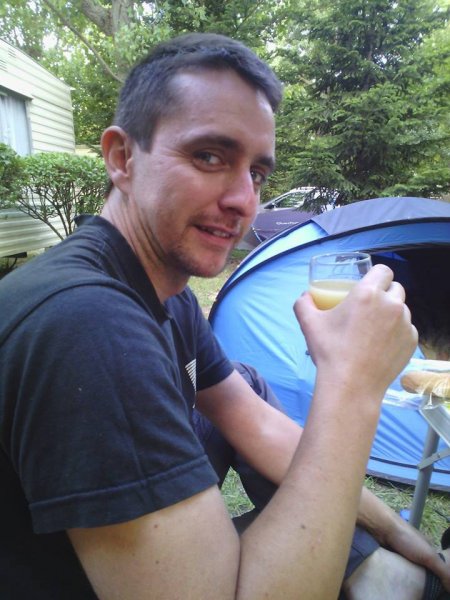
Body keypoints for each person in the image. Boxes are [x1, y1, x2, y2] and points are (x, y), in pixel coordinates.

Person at [0, 32, 448, 599]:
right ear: (121, 158)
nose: (244, 200)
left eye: (257, 172)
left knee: (244, 384)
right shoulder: (88, 324)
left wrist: (396, 531)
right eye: (209, 156)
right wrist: (352, 387)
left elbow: (253, 421)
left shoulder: (165, 292)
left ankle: (373, 570)